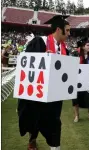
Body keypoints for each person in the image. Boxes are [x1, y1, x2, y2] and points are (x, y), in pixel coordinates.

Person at [17, 15, 71, 150]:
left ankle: (55, 147)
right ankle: (32, 138)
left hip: (54, 94)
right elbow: (26, 63)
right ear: (59, 29)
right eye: (68, 30)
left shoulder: (65, 50)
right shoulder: (39, 42)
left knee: (54, 121)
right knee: (34, 118)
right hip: (38, 93)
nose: (70, 34)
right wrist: (42, 57)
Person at [72, 37, 89, 122]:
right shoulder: (77, 55)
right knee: (76, 99)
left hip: (88, 81)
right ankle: (76, 115)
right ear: (83, 47)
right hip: (78, 81)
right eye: (87, 45)